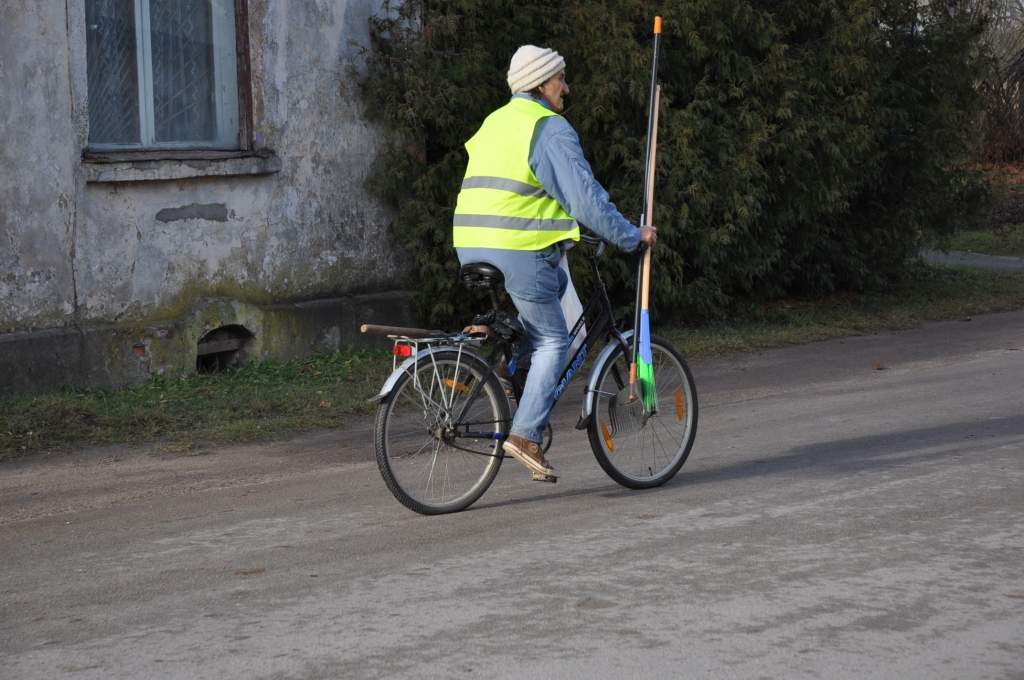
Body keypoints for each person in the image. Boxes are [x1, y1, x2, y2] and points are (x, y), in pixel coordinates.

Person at [452, 44, 657, 480]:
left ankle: (510, 370)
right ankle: (525, 435)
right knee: (555, 341)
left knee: (554, 294)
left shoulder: (496, 121)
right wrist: (628, 236)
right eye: (561, 78)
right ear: (542, 83)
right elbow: (585, 198)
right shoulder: (547, 127)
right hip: (517, 246)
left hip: (471, 242)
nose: (566, 87)